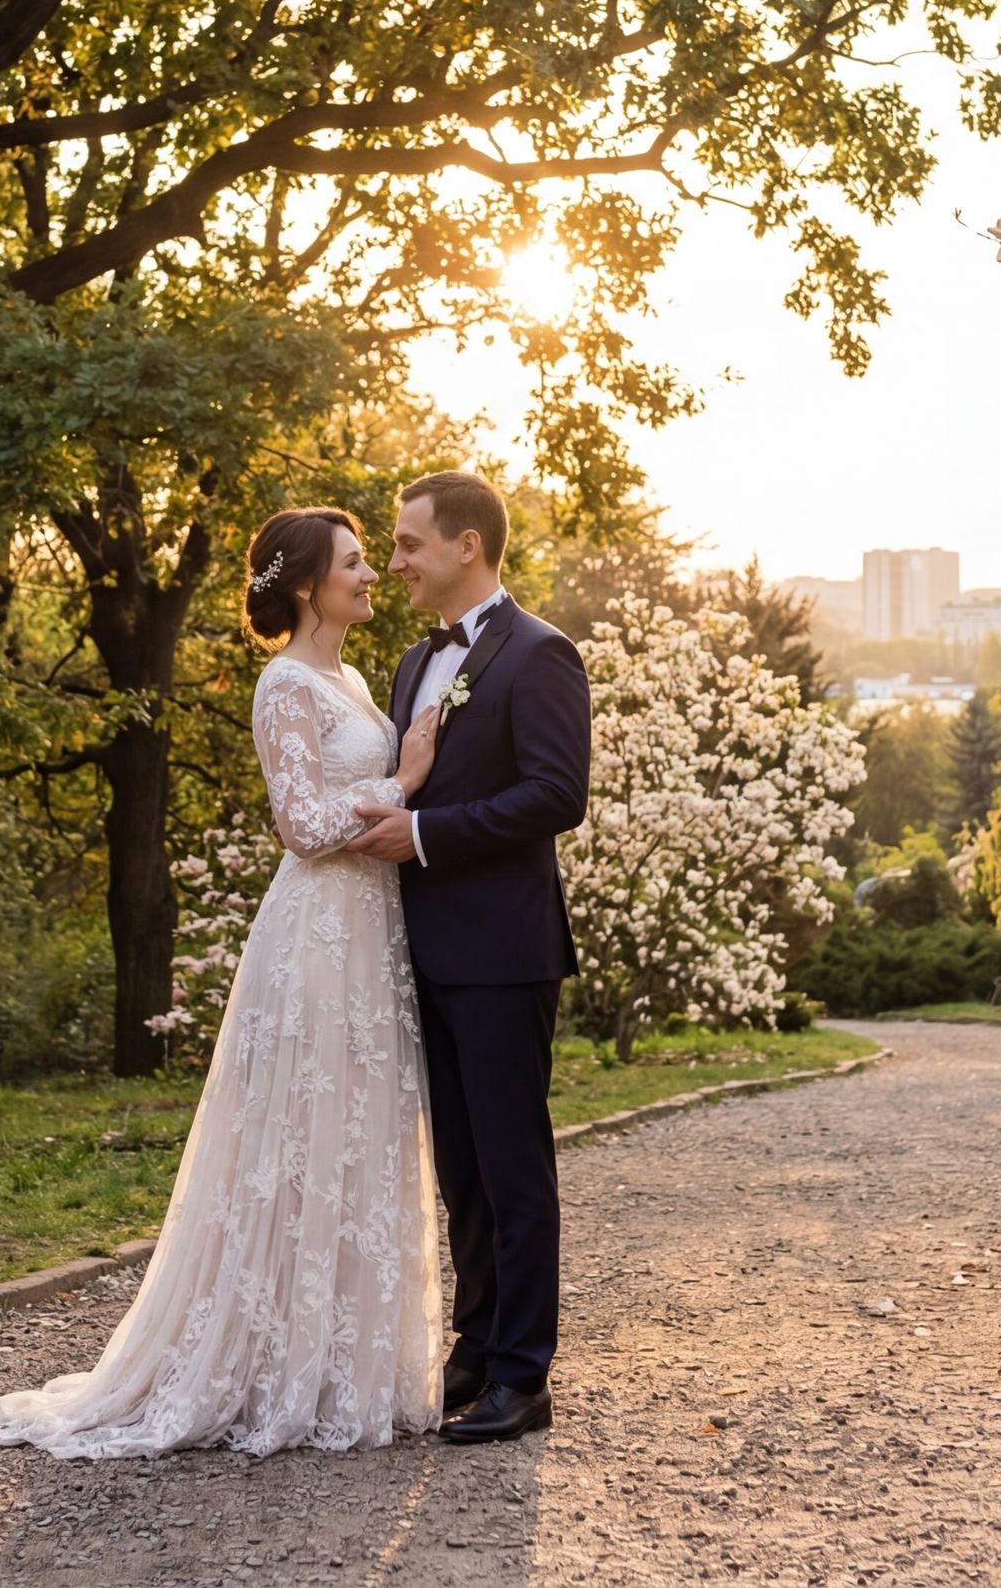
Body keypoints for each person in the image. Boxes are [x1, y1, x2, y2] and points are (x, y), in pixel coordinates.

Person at [0, 507, 447, 1456]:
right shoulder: (282, 682)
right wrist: (407, 780)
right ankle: (264, 1366)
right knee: (298, 1137)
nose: (371, 574)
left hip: (368, 930)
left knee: (353, 1131)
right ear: (307, 584)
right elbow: (300, 821)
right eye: (353, 562)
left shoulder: (348, 678)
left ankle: (345, 1364)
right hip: (314, 933)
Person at [346, 469, 590, 1446]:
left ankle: (525, 1378)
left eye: (408, 544)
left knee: (512, 1168)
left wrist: (429, 836)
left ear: (467, 548)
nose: (395, 561)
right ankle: (477, 1349)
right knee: (463, 1176)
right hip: (427, 955)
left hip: (502, 953)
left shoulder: (541, 656)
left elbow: (554, 795)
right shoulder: (413, 663)